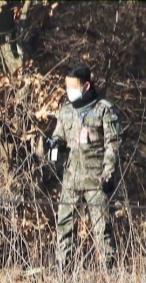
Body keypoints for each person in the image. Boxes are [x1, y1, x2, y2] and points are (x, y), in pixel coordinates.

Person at [49, 64, 121, 269]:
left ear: (86, 85)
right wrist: (54, 144)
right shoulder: (66, 111)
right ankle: (64, 273)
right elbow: (59, 136)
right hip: (71, 179)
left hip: (96, 181)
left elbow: (112, 145)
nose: (68, 91)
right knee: (64, 228)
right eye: (67, 87)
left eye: (73, 87)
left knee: (103, 230)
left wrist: (108, 174)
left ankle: (111, 274)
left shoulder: (104, 109)